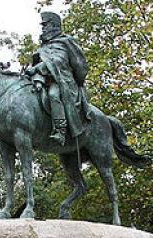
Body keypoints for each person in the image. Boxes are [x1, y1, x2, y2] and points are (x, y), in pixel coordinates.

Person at [24, 11, 93, 144]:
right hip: (42, 80)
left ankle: (60, 130)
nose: (43, 28)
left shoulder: (66, 42)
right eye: (42, 25)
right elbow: (38, 63)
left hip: (62, 81)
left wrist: (38, 68)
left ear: (54, 25)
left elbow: (60, 61)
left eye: (45, 25)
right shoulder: (43, 46)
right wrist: (36, 73)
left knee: (53, 95)